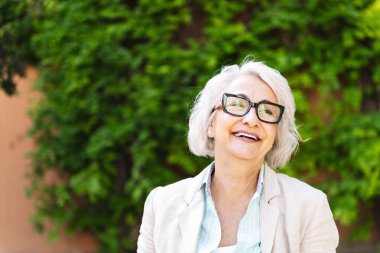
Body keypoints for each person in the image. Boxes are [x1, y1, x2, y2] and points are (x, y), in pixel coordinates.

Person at [137, 59, 339, 253]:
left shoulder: (309, 206)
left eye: (267, 111)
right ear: (211, 123)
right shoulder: (161, 204)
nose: (251, 119)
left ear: (276, 134)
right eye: (237, 104)